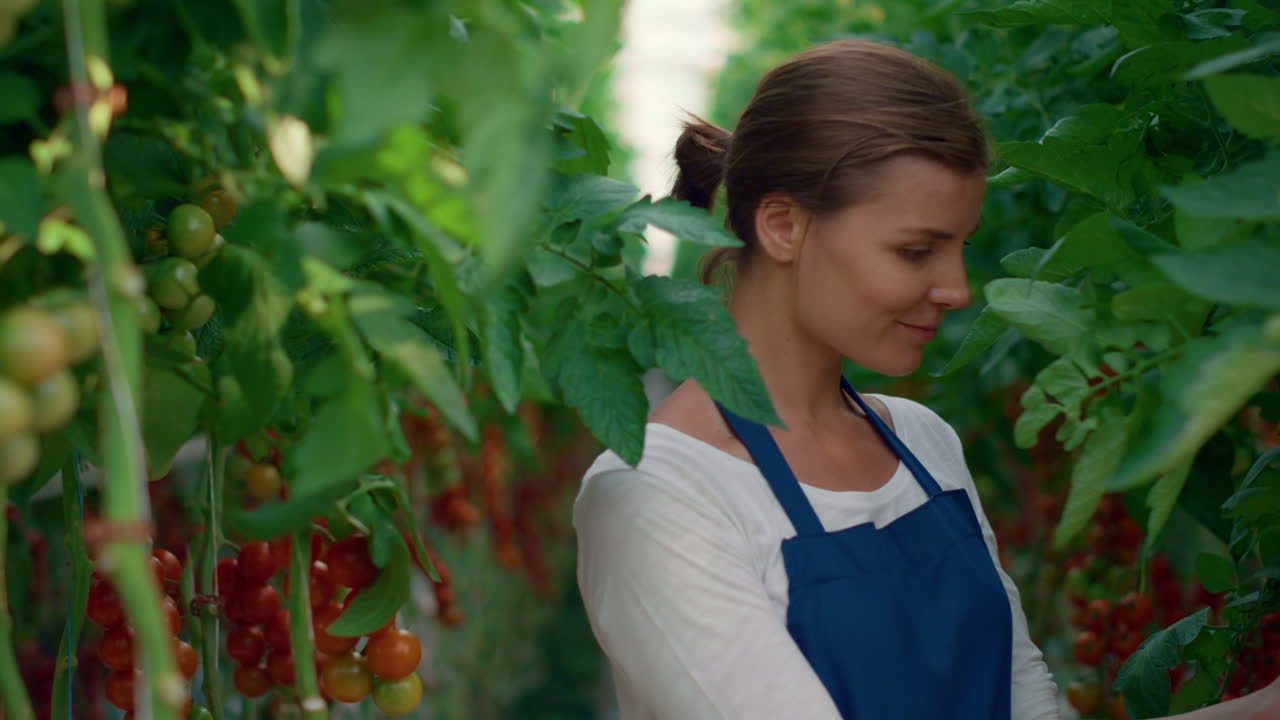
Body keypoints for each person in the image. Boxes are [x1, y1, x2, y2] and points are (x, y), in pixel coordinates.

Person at [572, 38, 1280, 720]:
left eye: (961, 247)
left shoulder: (920, 442)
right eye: (917, 251)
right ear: (783, 225)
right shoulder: (658, 496)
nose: (958, 289)